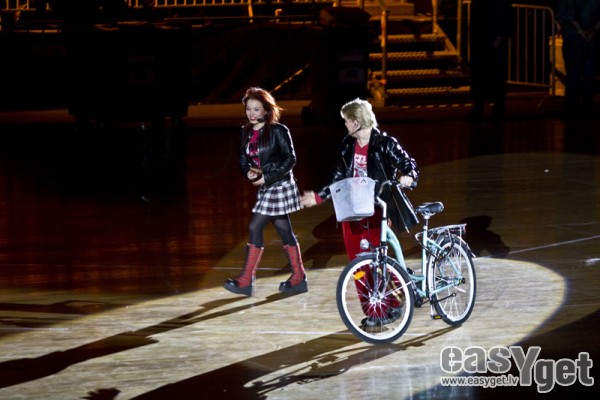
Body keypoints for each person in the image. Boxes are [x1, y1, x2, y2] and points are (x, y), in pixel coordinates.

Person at [300, 98, 419, 325]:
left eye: (346, 121)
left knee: (378, 260)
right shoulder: (348, 144)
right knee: (358, 264)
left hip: (377, 209)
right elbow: (337, 175)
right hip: (352, 209)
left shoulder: (385, 144)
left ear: (356, 122)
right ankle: (375, 310)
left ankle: (394, 301)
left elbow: (408, 164)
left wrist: (408, 176)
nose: (344, 125)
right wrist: (319, 196)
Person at [223, 87, 308, 296]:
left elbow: (290, 159)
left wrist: (267, 177)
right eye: (248, 109)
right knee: (284, 230)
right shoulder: (246, 132)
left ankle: (246, 280)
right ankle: (299, 277)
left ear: (266, 110)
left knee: (255, 226)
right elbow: (242, 159)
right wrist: (248, 172)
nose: (251, 114)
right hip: (265, 186)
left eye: (256, 109)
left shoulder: (278, 131)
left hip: (278, 185)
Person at [467, 0, 514, 122]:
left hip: (488, 36)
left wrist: (499, 34)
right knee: (487, 73)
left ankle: (487, 108)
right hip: (485, 35)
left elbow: (501, 12)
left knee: (490, 73)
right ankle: (488, 108)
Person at [557, 0, 600, 118]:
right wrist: (593, 31)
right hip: (589, 39)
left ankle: (572, 108)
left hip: (573, 38)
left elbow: (568, 15)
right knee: (588, 73)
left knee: (573, 73)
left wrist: (581, 32)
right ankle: (586, 107)